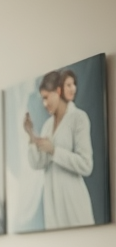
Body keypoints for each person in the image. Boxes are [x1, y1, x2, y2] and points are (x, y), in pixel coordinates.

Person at [22, 69, 94, 229]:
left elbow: (86, 165)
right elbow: (37, 163)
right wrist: (31, 135)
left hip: (73, 203)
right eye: (42, 99)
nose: (44, 103)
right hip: (53, 206)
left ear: (58, 91)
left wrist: (54, 151)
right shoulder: (47, 126)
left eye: (47, 97)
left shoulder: (78, 118)